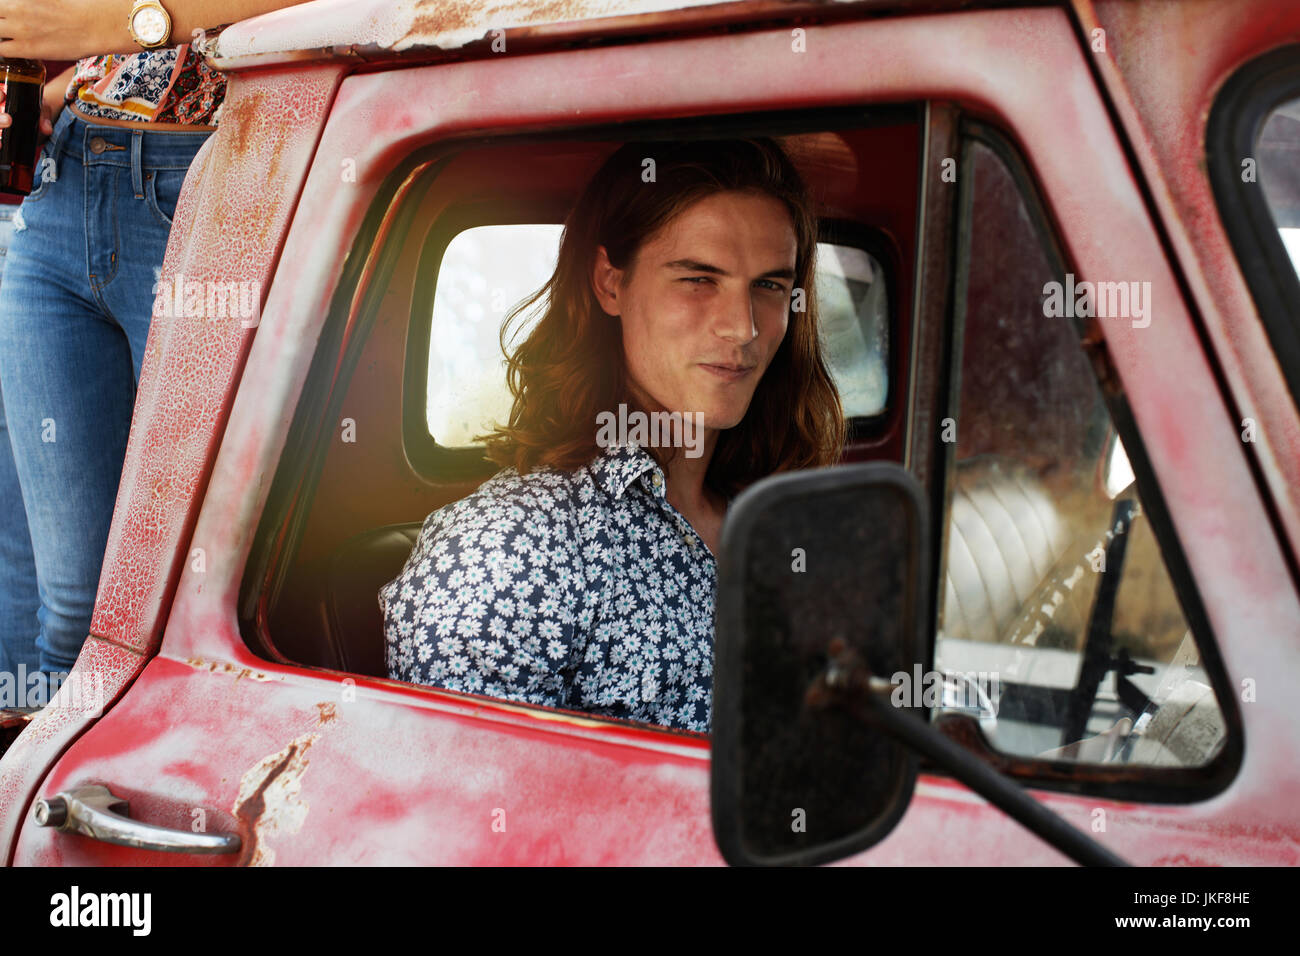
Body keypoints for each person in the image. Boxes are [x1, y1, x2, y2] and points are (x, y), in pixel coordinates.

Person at [380, 138, 846, 733]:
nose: (742, 327)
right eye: (699, 279)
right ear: (610, 283)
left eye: (770, 287)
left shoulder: (781, 511)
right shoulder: (510, 547)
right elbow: (461, 803)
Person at [0, 0, 309, 702]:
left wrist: (129, 22)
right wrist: (71, 85)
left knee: (194, 599)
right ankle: (49, 809)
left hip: (215, 177)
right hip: (64, 180)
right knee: (74, 610)